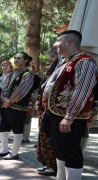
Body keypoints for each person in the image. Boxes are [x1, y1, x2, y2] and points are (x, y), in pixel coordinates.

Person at [42, 30, 98, 180]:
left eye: (58, 41)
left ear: (69, 42)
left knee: (71, 154)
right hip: (54, 114)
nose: (55, 45)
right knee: (60, 151)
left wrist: (69, 116)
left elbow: (82, 90)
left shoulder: (85, 61)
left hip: (67, 118)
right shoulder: (65, 61)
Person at [0, 52, 34, 160]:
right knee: (2, 127)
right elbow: (5, 87)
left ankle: (14, 153)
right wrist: (4, 98)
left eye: (19, 58)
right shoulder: (14, 72)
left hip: (18, 108)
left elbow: (22, 90)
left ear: (26, 60)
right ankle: (4, 149)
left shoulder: (27, 74)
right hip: (7, 106)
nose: (16, 60)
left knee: (17, 130)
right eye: (15, 58)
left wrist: (10, 100)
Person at [35, 47, 60, 176]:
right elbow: (42, 90)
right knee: (43, 137)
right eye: (50, 56)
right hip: (44, 110)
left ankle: (53, 166)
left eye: (53, 56)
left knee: (51, 139)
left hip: (53, 111)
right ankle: (47, 163)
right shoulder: (49, 72)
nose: (50, 58)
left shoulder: (60, 72)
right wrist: (38, 103)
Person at [22, 62, 41, 143]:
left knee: (27, 117)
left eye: (29, 66)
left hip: (29, 100)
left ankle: (25, 137)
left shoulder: (36, 77)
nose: (27, 68)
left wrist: (30, 97)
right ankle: (20, 136)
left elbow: (37, 90)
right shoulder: (21, 75)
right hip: (19, 99)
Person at [0, 60, 13, 138]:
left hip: (8, 99)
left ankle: (5, 134)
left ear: (10, 67)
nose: (4, 67)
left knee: (6, 116)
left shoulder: (12, 76)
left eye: (6, 66)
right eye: (3, 66)